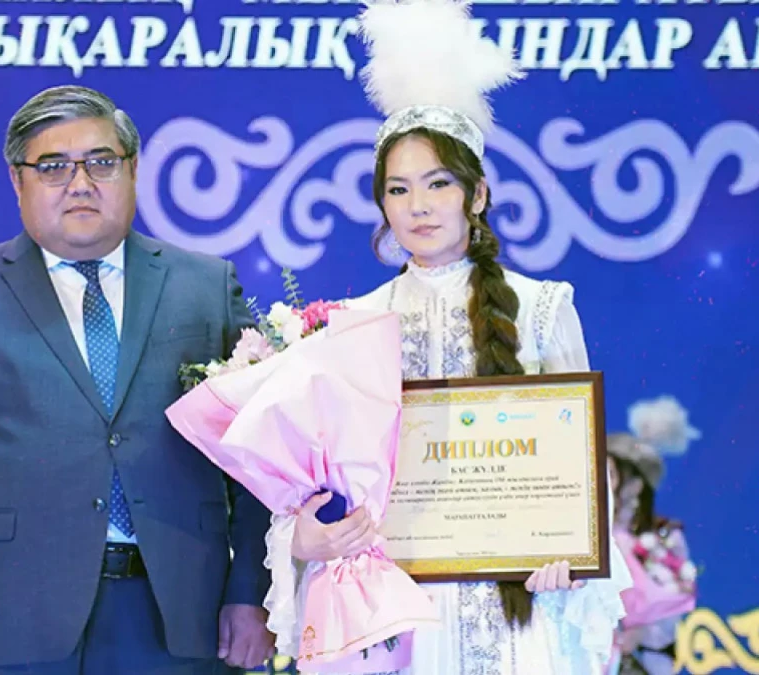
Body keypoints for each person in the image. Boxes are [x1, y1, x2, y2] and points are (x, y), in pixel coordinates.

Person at [260, 2, 633, 673]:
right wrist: (303, 537)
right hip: (394, 610)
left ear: (477, 194)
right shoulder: (353, 322)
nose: (420, 205)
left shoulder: (541, 308)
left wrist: (569, 552)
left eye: (439, 183)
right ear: (381, 203)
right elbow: (315, 480)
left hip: (519, 611)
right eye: (399, 189)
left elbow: (577, 464)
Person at [0, 85, 274, 675]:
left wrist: (252, 591)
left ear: (133, 170)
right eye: (53, 166)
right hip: (9, 621)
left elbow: (262, 453)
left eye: (101, 162)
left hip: (182, 619)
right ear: (17, 181)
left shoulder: (206, 287)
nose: (80, 183)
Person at [606, 396, 699, 675]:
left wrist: (638, 631)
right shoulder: (588, 537)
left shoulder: (662, 540)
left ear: (635, 485)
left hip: (642, 660)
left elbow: (672, 604)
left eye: (610, 474)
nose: (600, 482)